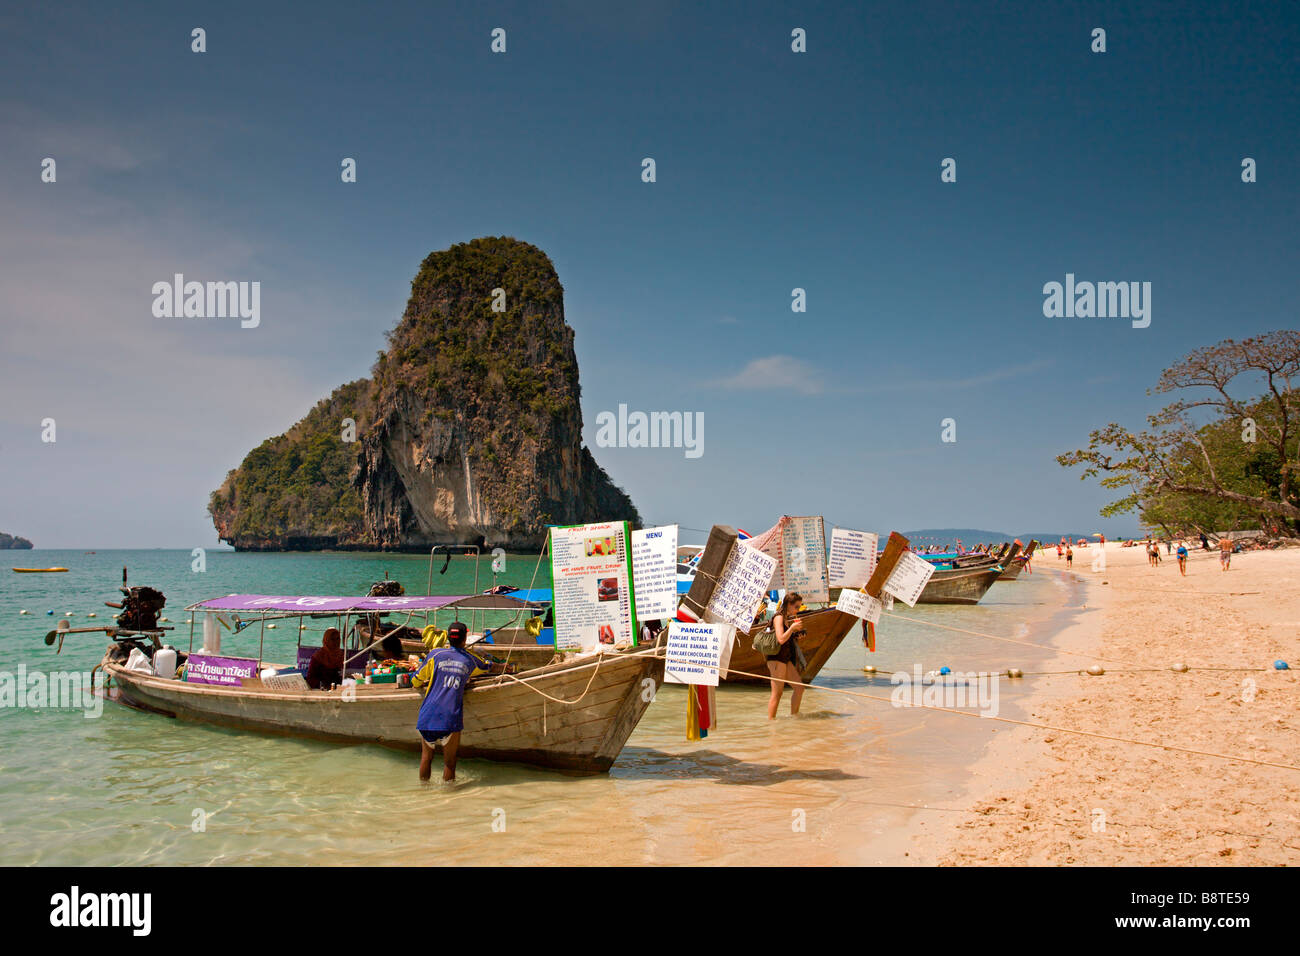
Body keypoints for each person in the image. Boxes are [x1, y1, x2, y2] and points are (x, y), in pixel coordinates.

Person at [412, 621, 503, 781]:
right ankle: (449, 796)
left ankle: (423, 792)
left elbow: (416, 681)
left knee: (426, 759)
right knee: (449, 763)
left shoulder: (435, 655)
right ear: (464, 639)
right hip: (449, 717)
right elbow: (488, 667)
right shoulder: (470, 659)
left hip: (427, 715)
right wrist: (505, 667)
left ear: (448, 638)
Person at [766, 592, 806, 719]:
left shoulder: (787, 617)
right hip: (776, 657)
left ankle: (795, 717)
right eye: (796, 607)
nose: (798, 610)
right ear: (788, 604)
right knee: (777, 693)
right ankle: (771, 724)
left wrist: (796, 635)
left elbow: (787, 638)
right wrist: (792, 628)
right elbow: (781, 639)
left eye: (799, 607)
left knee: (799, 688)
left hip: (785, 657)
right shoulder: (779, 617)